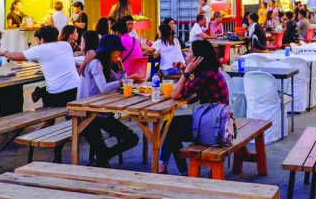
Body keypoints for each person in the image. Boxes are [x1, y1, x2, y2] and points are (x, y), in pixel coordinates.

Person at [157, 39, 229, 174]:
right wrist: (186, 69)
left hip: (214, 128)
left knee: (169, 129)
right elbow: (194, 86)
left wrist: (185, 73)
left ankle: (165, 167)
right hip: (216, 121)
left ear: (197, 59)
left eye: (189, 52)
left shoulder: (206, 76)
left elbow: (176, 95)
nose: (186, 55)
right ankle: (172, 168)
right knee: (170, 125)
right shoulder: (210, 73)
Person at [78, 34, 140, 167]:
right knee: (104, 160)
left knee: (132, 138)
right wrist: (123, 82)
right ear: (110, 50)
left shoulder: (105, 65)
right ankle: (103, 157)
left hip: (101, 112)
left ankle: (104, 156)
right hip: (86, 115)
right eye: (117, 50)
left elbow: (118, 78)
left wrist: (122, 68)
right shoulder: (95, 63)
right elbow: (104, 88)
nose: (119, 53)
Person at [0, 26, 79, 107]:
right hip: (76, 91)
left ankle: (47, 116)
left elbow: (15, 56)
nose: (37, 42)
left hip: (57, 95)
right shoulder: (66, 45)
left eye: (37, 40)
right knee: (47, 91)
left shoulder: (40, 49)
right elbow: (49, 58)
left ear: (42, 39)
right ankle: (40, 92)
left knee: (48, 98)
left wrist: (3, 53)